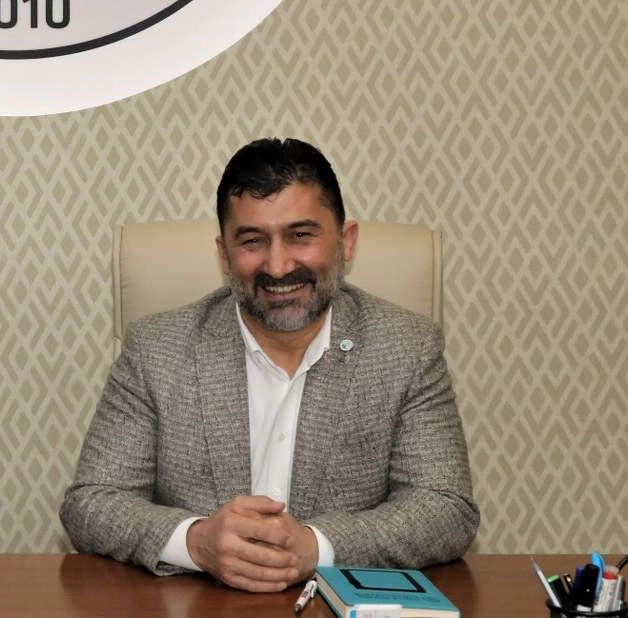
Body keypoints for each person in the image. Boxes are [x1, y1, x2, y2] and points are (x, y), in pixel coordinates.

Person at [61, 138, 477, 591]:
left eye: (301, 235)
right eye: (253, 241)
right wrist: (195, 542)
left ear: (346, 241)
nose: (278, 267)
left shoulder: (408, 348)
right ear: (224, 255)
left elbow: (446, 508)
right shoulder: (155, 350)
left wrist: (316, 546)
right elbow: (92, 503)